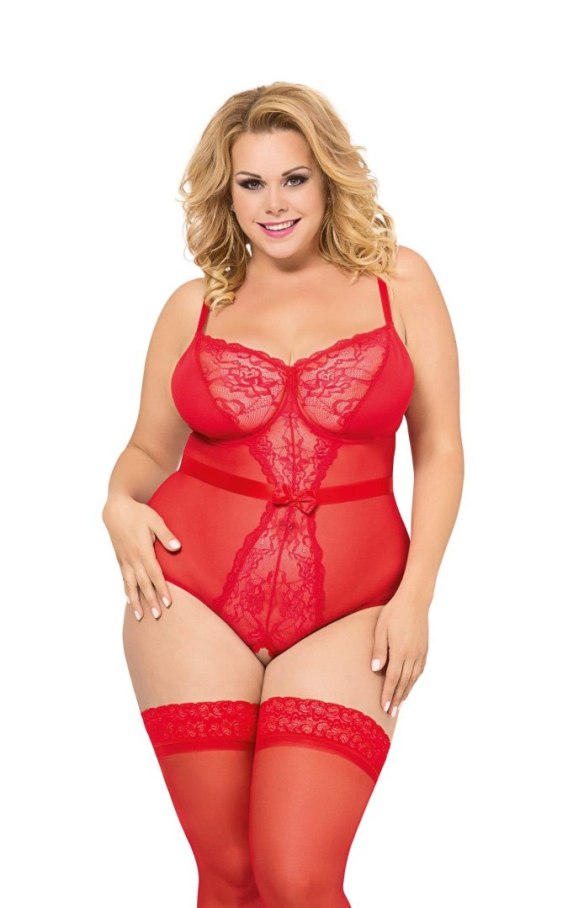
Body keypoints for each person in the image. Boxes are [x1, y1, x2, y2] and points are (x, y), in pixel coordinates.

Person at [102, 81, 464, 907]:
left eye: (294, 178)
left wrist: (417, 598)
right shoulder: (195, 306)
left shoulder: (399, 283)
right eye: (252, 183)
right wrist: (117, 503)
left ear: (327, 178)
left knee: (299, 877)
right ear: (226, 194)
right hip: (188, 602)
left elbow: (440, 449)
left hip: (354, 611)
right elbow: (149, 450)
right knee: (230, 876)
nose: (274, 204)